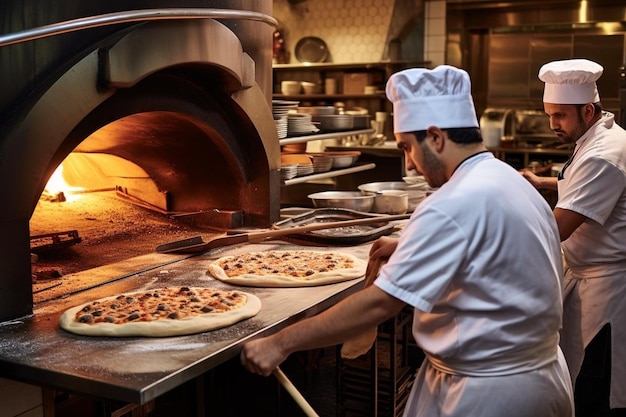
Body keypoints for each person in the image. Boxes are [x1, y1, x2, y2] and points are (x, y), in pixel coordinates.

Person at [241, 65, 574, 416]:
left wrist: (279, 344)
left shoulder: (450, 204)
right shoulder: (510, 180)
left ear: (435, 137)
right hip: (543, 380)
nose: (409, 165)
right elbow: (499, 251)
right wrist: (413, 248)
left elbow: (379, 304)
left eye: (406, 148)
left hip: (486, 394)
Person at [522, 58, 626, 417]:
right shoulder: (599, 136)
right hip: (584, 277)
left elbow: (556, 228)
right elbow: (580, 185)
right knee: (582, 379)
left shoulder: (604, 155)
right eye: (549, 114)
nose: (552, 125)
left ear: (587, 109)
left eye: (560, 116)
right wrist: (544, 183)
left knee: (599, 387)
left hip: (606, 289)